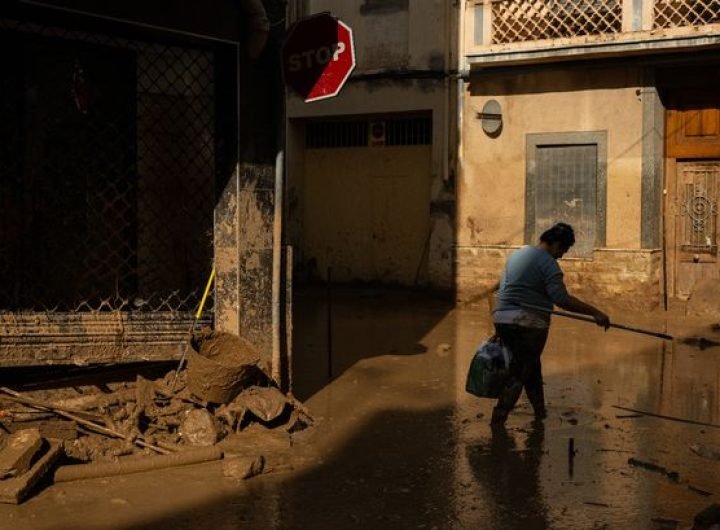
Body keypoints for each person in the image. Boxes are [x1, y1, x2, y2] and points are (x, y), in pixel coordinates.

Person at [490, 222, 610, 425]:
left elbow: (497, 290)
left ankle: (540, 413)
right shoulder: (549, 264)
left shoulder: (519, 254)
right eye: (563, 249)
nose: (562, 255)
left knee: (531, 367)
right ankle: (498, 420)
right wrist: (595, 312)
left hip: (502, 319)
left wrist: (496, 324)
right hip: (529, 324)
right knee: (519, 373)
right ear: (555, 244)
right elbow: (561, 299)